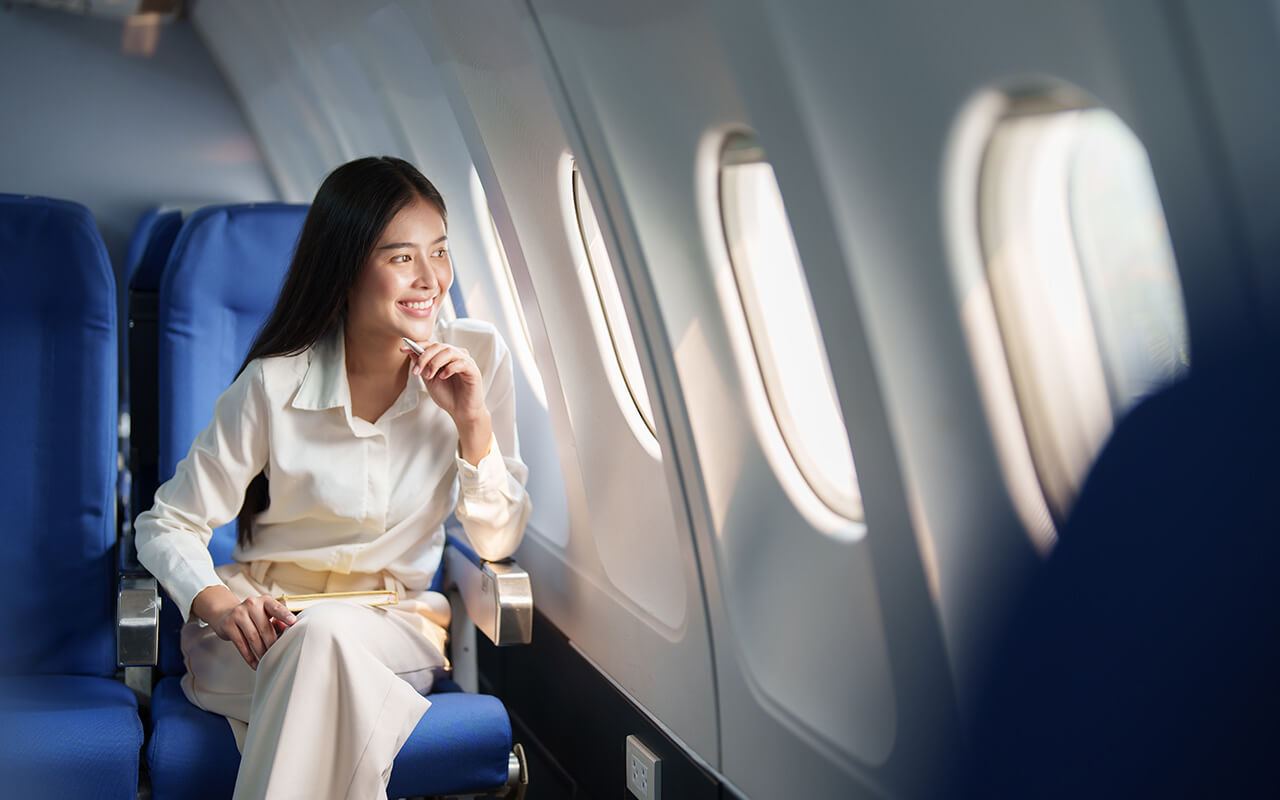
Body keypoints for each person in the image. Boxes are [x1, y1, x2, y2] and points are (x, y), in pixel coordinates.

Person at [135, 156, 533, 800]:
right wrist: (221, 604)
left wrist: (473, 423)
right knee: (315, 656)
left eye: (440, 250)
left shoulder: (478, 358)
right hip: (256, 634)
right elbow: (166, 523)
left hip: (392, 629)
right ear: (345, 268)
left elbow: (495, 541)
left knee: (323, 647)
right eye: (402, 257)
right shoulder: (274, 382)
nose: (431, 278)